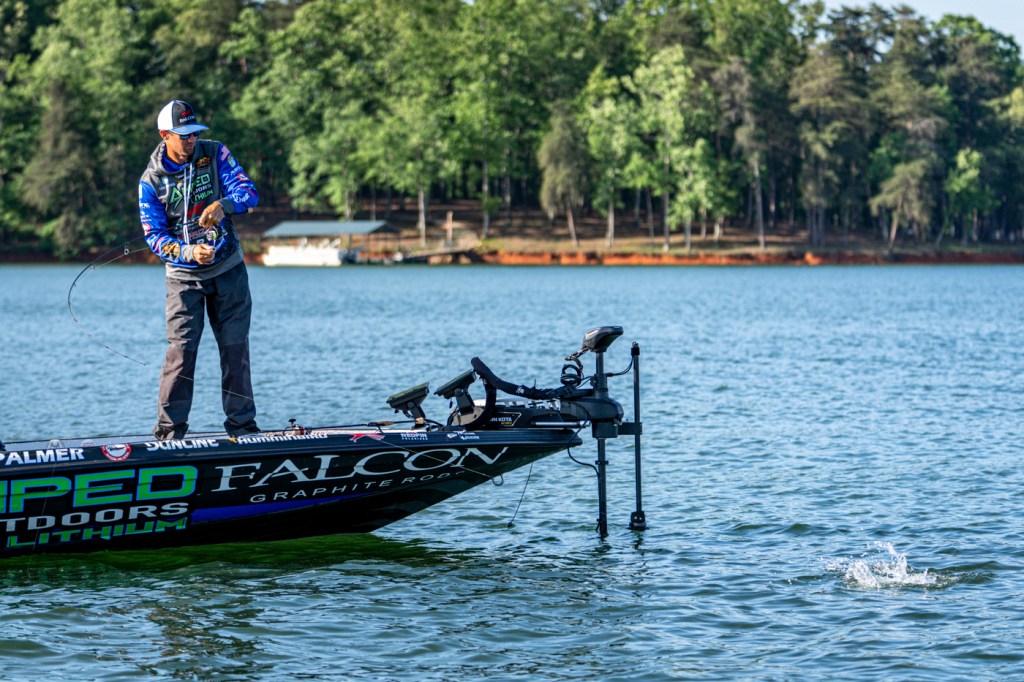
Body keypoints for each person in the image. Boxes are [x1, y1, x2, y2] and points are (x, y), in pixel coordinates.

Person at [138, 99, 260, 440]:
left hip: (229, 269)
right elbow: (154, 237)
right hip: (183, 279)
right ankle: (169, 433)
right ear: (165, 135)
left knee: (235, 349)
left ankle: (243, 429)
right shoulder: (150, 182)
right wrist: (189, 252)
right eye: (184, 135)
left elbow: (249, 192)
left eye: (194, 133)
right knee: (181, 353)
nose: (191, 140)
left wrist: (224, 204)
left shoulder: (215, 152)